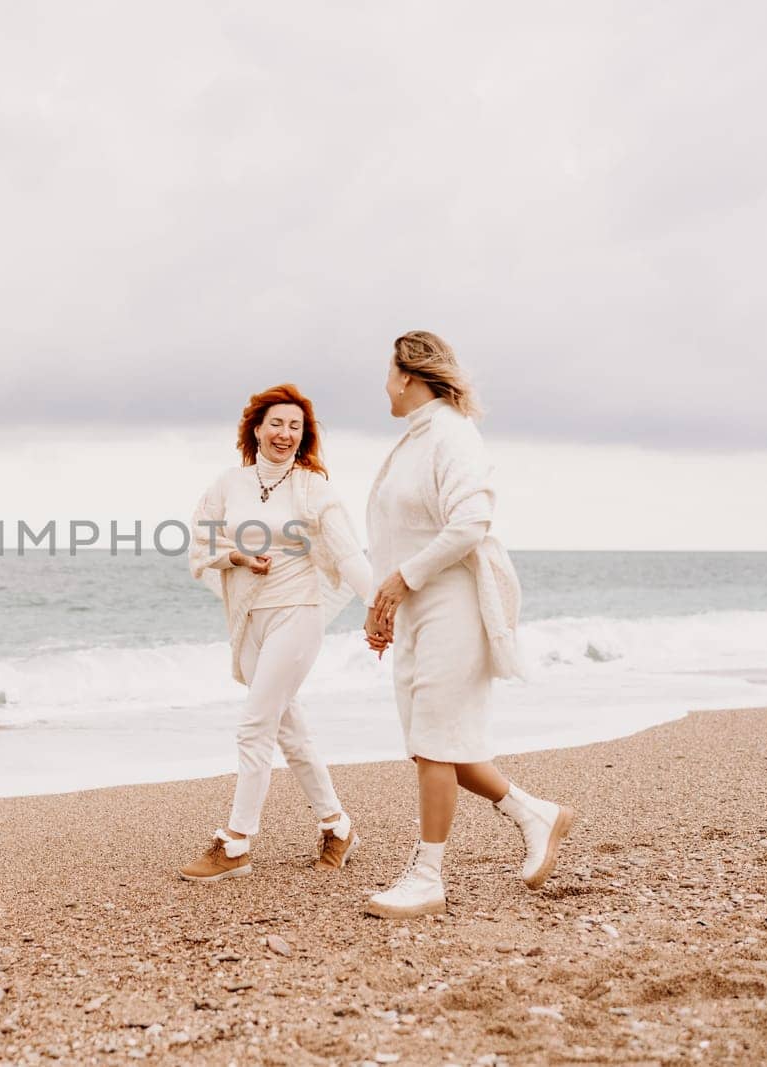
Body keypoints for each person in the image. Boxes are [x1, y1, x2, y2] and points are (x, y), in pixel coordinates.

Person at [362, 330, 576, 918]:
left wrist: (403, 581)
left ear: (406, 374)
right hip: (416, 607)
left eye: (387, 374)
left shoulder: (453, 435)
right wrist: (383, 606)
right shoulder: (413, 441)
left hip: (452, 602)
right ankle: (535, 813)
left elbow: (471, 521)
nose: (383, 385)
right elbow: (394, 540)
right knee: (433, 743)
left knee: (435, 741)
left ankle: (428, 877)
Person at [179, 383, 377, 882]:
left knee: (254, 726)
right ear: (256, 429)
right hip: (250, 618)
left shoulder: (312, 487)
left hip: (298, 614)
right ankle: (337, 825)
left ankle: (236, 842)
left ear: (303, 435)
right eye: (277, 424)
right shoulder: (230, 483)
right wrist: (239, 557)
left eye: (295, 426)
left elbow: (349, 554)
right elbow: (203, 536)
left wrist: (379, 605)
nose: (285, 434)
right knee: (289, 729)